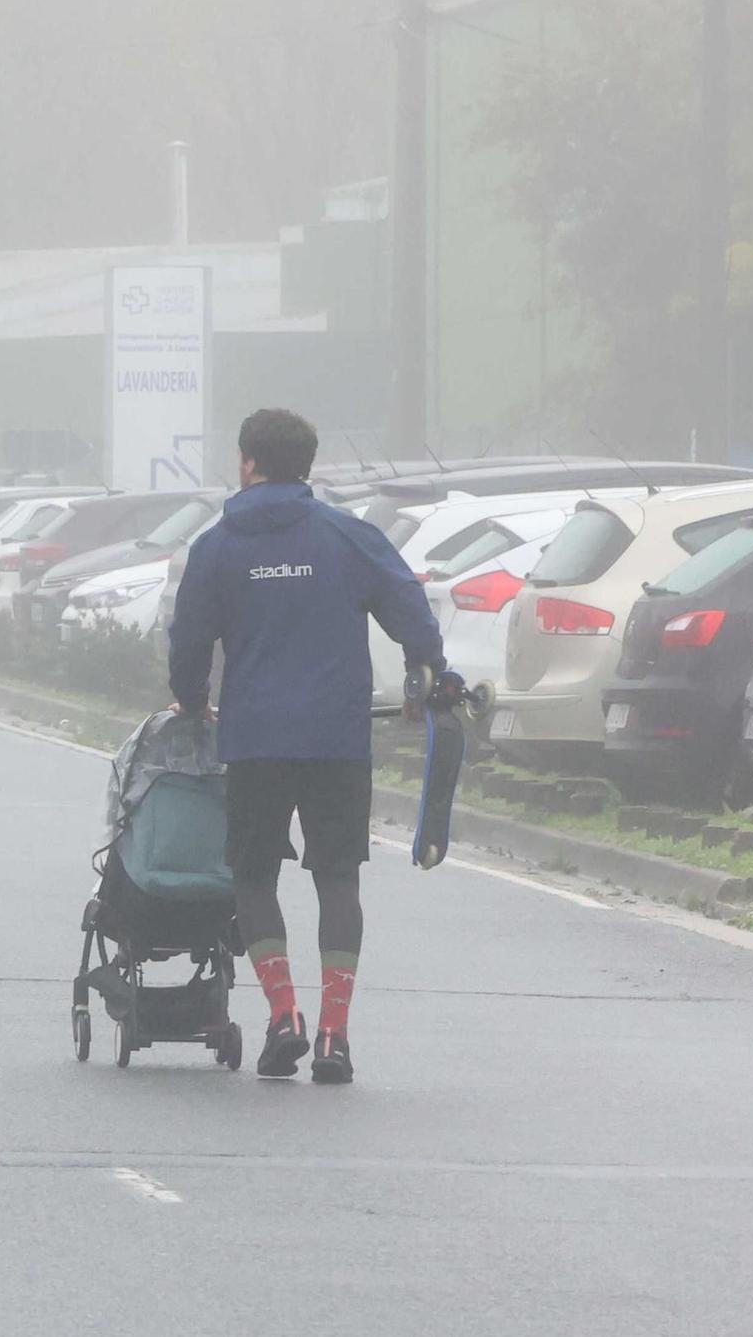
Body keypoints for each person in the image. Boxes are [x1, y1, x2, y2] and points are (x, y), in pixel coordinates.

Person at [166, 408, 444, 1085]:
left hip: (256, 737)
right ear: (307, 465)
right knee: (337, 877)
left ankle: (284, 1013)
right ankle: (334, 1036)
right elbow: (409, 604)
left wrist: (192, 697)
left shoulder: (217, 547)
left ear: (247, 463)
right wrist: (426, 667)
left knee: (254, 875)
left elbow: (189, 637)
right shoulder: (349, 537)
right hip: (336, 737)